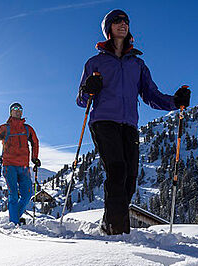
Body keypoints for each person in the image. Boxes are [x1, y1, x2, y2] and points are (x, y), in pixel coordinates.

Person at [77, 9, 191, 235]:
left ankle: (108, 222)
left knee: (130, 179)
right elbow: (82, 100)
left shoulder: (137, 65)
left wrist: (175, 101)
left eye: (126, 21)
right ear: (108, 28)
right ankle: (117, 232)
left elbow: (151, 95)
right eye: (117, 21)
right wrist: (88, 89)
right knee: (117, 170)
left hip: (129, 124)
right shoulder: (95, 62)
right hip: (103, 122)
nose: (123, 24)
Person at [0, 102, 40, 225]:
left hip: (24, 166)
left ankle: (15, 217)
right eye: (15, 109)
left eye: (20, 109)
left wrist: (35, 158)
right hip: (9, 165)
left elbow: (35, 142)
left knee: (27, 195)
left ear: (22, 112)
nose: (17, 111)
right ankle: (14, 223)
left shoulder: (27, 129)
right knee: (13, 195)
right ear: (11, 112)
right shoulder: (5, 128)